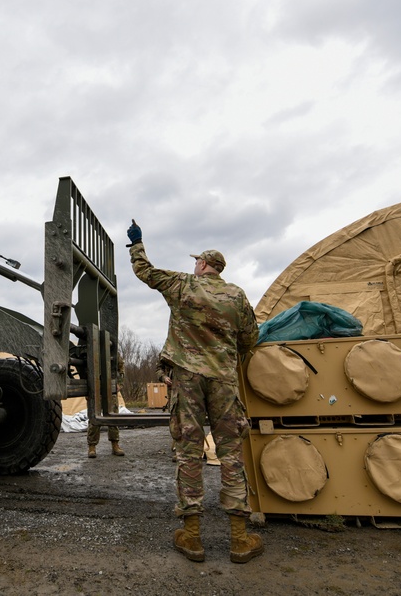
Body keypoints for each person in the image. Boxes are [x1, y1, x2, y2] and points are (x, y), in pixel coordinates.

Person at [126, 219, 263, 564]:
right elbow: (250, 338)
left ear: (202, 264)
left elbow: (145, 272)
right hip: (224, 382)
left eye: (196, 262)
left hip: (187, 381)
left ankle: (192, 537)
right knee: (230, 454)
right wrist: (227, 360)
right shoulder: (236, 295)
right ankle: (239, 539)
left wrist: (136, 243)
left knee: (189, 454)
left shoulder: (183, 285)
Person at [87, 361, 125, 458]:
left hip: (110, 387)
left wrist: (119, 383)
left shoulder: (112, 349)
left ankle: (115, 444)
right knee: (94, 418)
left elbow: (120, 366)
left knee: (113, 418)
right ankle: (92, 446)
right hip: (94, 387)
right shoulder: (90, 349)